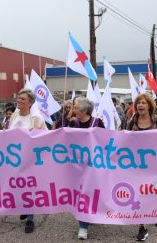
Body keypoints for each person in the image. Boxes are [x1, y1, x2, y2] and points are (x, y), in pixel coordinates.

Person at [125, 93, 157, 241]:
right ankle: (143, 227)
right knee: (140, 194)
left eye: (143, 102)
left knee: (155, 191)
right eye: (138, 103)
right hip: (136, 165)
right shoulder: (131, 122)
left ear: (149, 105)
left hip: (155, 165)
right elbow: (124, 140)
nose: (140, 105)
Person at [8, 88, 47, 233]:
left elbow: (46, 138)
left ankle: (30, 219)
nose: (19, 100)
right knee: (18, 187)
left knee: (30, 188)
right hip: (14, 160)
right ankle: (24, 207)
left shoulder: (37, 120)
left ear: (30, 103)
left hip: (30, 161)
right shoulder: (13, 117)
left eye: (23, 99)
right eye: (18, 97)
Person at [67, 97, 104, 240]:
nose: (73, 110)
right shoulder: (72, 123)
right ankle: (83, 226)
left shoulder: (97, 122)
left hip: (93, 165)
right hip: (76, 166)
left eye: (75, 108)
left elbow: (104, 141)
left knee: (91, 193)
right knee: (81, 194)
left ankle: (90, 216)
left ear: (83, 110)